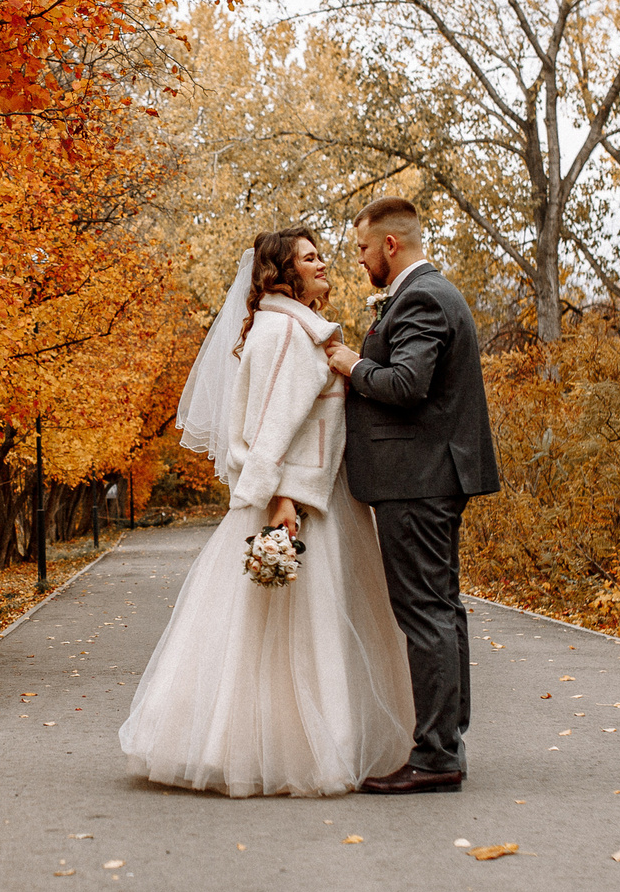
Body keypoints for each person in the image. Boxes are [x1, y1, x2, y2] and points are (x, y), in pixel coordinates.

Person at [118, 228, 415, 796]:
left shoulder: (276, 326)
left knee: (273, 632)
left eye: (322, 254)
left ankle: (279, 743)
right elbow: (274, 427)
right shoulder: (288, 332)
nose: (324, 263)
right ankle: (308, 751)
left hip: (307, 494)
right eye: (310, 258)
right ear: (283, 273)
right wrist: (281, 497)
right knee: (305, 630)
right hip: (301, 502)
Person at [324, 197, 500, 794]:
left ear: (390, 246)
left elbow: (406, 383)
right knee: (442, 608)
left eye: (362, 250)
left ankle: (435, 756)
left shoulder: (423, 297)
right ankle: (445, 741)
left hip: (418, 481)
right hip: (428, 477)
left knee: (425, 611)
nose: (360, 260)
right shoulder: (426, 294)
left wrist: (350, 364)